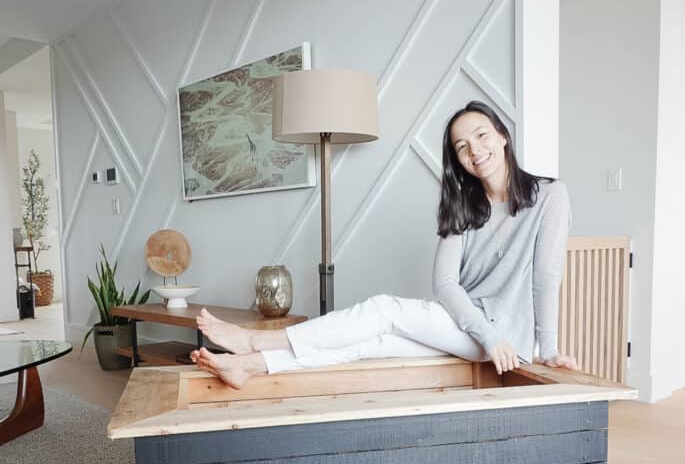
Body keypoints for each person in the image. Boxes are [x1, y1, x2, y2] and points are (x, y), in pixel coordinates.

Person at [190, 100, 577, 388]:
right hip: (471, 328)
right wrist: (482, 333)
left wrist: (549, 348)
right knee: (372, 341)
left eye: (481, 136)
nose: (475, 150)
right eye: (461, 147)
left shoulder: (549, 196)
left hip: (504, 339)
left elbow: (545, 277)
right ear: (457, 160)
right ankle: (254, 365)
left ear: (502, 135)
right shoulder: (463, 207)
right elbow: (445, 284)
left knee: (383, 310)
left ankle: (257, 339)